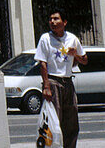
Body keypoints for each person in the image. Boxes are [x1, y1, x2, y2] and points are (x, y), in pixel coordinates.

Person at [35, 10, 87, 148]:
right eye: (51, 19)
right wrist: (46, 87)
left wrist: (75, 54)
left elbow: (85, 60)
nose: (52, 22)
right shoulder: (45, 38)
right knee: (53, 121)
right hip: (53, 81)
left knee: (71, 123)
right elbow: (42, 63)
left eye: (56, 19)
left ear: (64, 22)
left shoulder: (72, 39)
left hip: (68, 82)